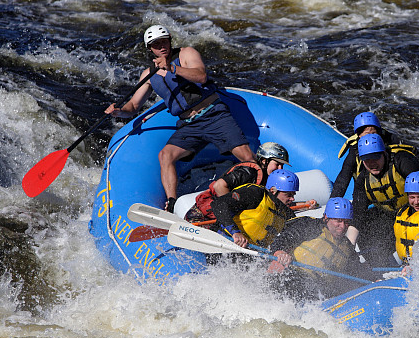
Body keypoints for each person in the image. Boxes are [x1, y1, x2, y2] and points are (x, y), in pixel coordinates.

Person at [105, 24, 255, 212]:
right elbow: (134, 106)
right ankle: (173, 203)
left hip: (213, 114)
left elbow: (200, 76)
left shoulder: (186, 54)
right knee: (165, 155)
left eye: (164, 42)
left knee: (245, 155)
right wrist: (118, 110)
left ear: (170, 41)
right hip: (189, 125)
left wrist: (172, 69)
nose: (161, 46)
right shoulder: (148, 74)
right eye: (156, 44)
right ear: (149, 49)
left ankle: (261, 191)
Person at [349, 133, 419, 267]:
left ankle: (415, 263)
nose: (372, 163)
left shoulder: (402, 162)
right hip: (392, 217)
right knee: (367, 224)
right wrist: (349, 246)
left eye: (375, 157)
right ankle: (379, 269)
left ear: (384, 153)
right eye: (367, 159)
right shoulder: (363, 180)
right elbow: (358, 213)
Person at [268, 197, 374, 298]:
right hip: (293, 276)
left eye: (346, 222)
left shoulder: (347, 247)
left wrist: (374, 280)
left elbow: (357, 270)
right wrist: (280, 252)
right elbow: (282, 239)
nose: (342, 226)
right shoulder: (310, 226)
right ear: (326, 218)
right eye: (338, 221)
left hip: (318, 291)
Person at [184, 142, 291, 223]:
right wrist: (230, 215)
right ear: (264, 160)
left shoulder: (266, 179)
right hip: (202, 217)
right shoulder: (249, 172)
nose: (280, 169)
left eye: (282, 165)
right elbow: (219, 185)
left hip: (223, 220)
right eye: (277, 164)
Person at [211, 168, 299, 249]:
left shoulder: (287, 214)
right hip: (224, 241)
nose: (292, 199)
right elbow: (219, 204)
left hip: (248, 252)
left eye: (293, 195)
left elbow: (292, 234)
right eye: (288, 195)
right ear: (273, 191)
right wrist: (235, 232)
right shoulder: (255, 194)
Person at [330, 111, 404, 198]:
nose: (370, 138)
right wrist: (333, 201)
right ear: (359, 136)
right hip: (368, 189)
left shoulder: (391, 143)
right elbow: (343, 179)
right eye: (367, 134)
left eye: (374, 133)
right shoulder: (355, 150)